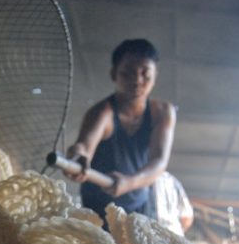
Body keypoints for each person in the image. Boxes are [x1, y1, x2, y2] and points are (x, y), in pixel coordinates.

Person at [65, 38, 177, 226]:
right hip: (99, 208)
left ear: (155, 75)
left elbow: (159, 161)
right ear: (113, 74)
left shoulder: (163, 112)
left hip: (140, 205)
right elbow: (84, 147)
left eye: (145, 74)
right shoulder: (102, 113)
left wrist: (129, 182)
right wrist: (77, 158)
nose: (137, 81)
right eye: (127, 73)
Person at [154, 171, 193, 236]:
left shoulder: (136, 180)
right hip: (174, 236)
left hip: (150, 238)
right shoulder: (172, 180)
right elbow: (187, 218)